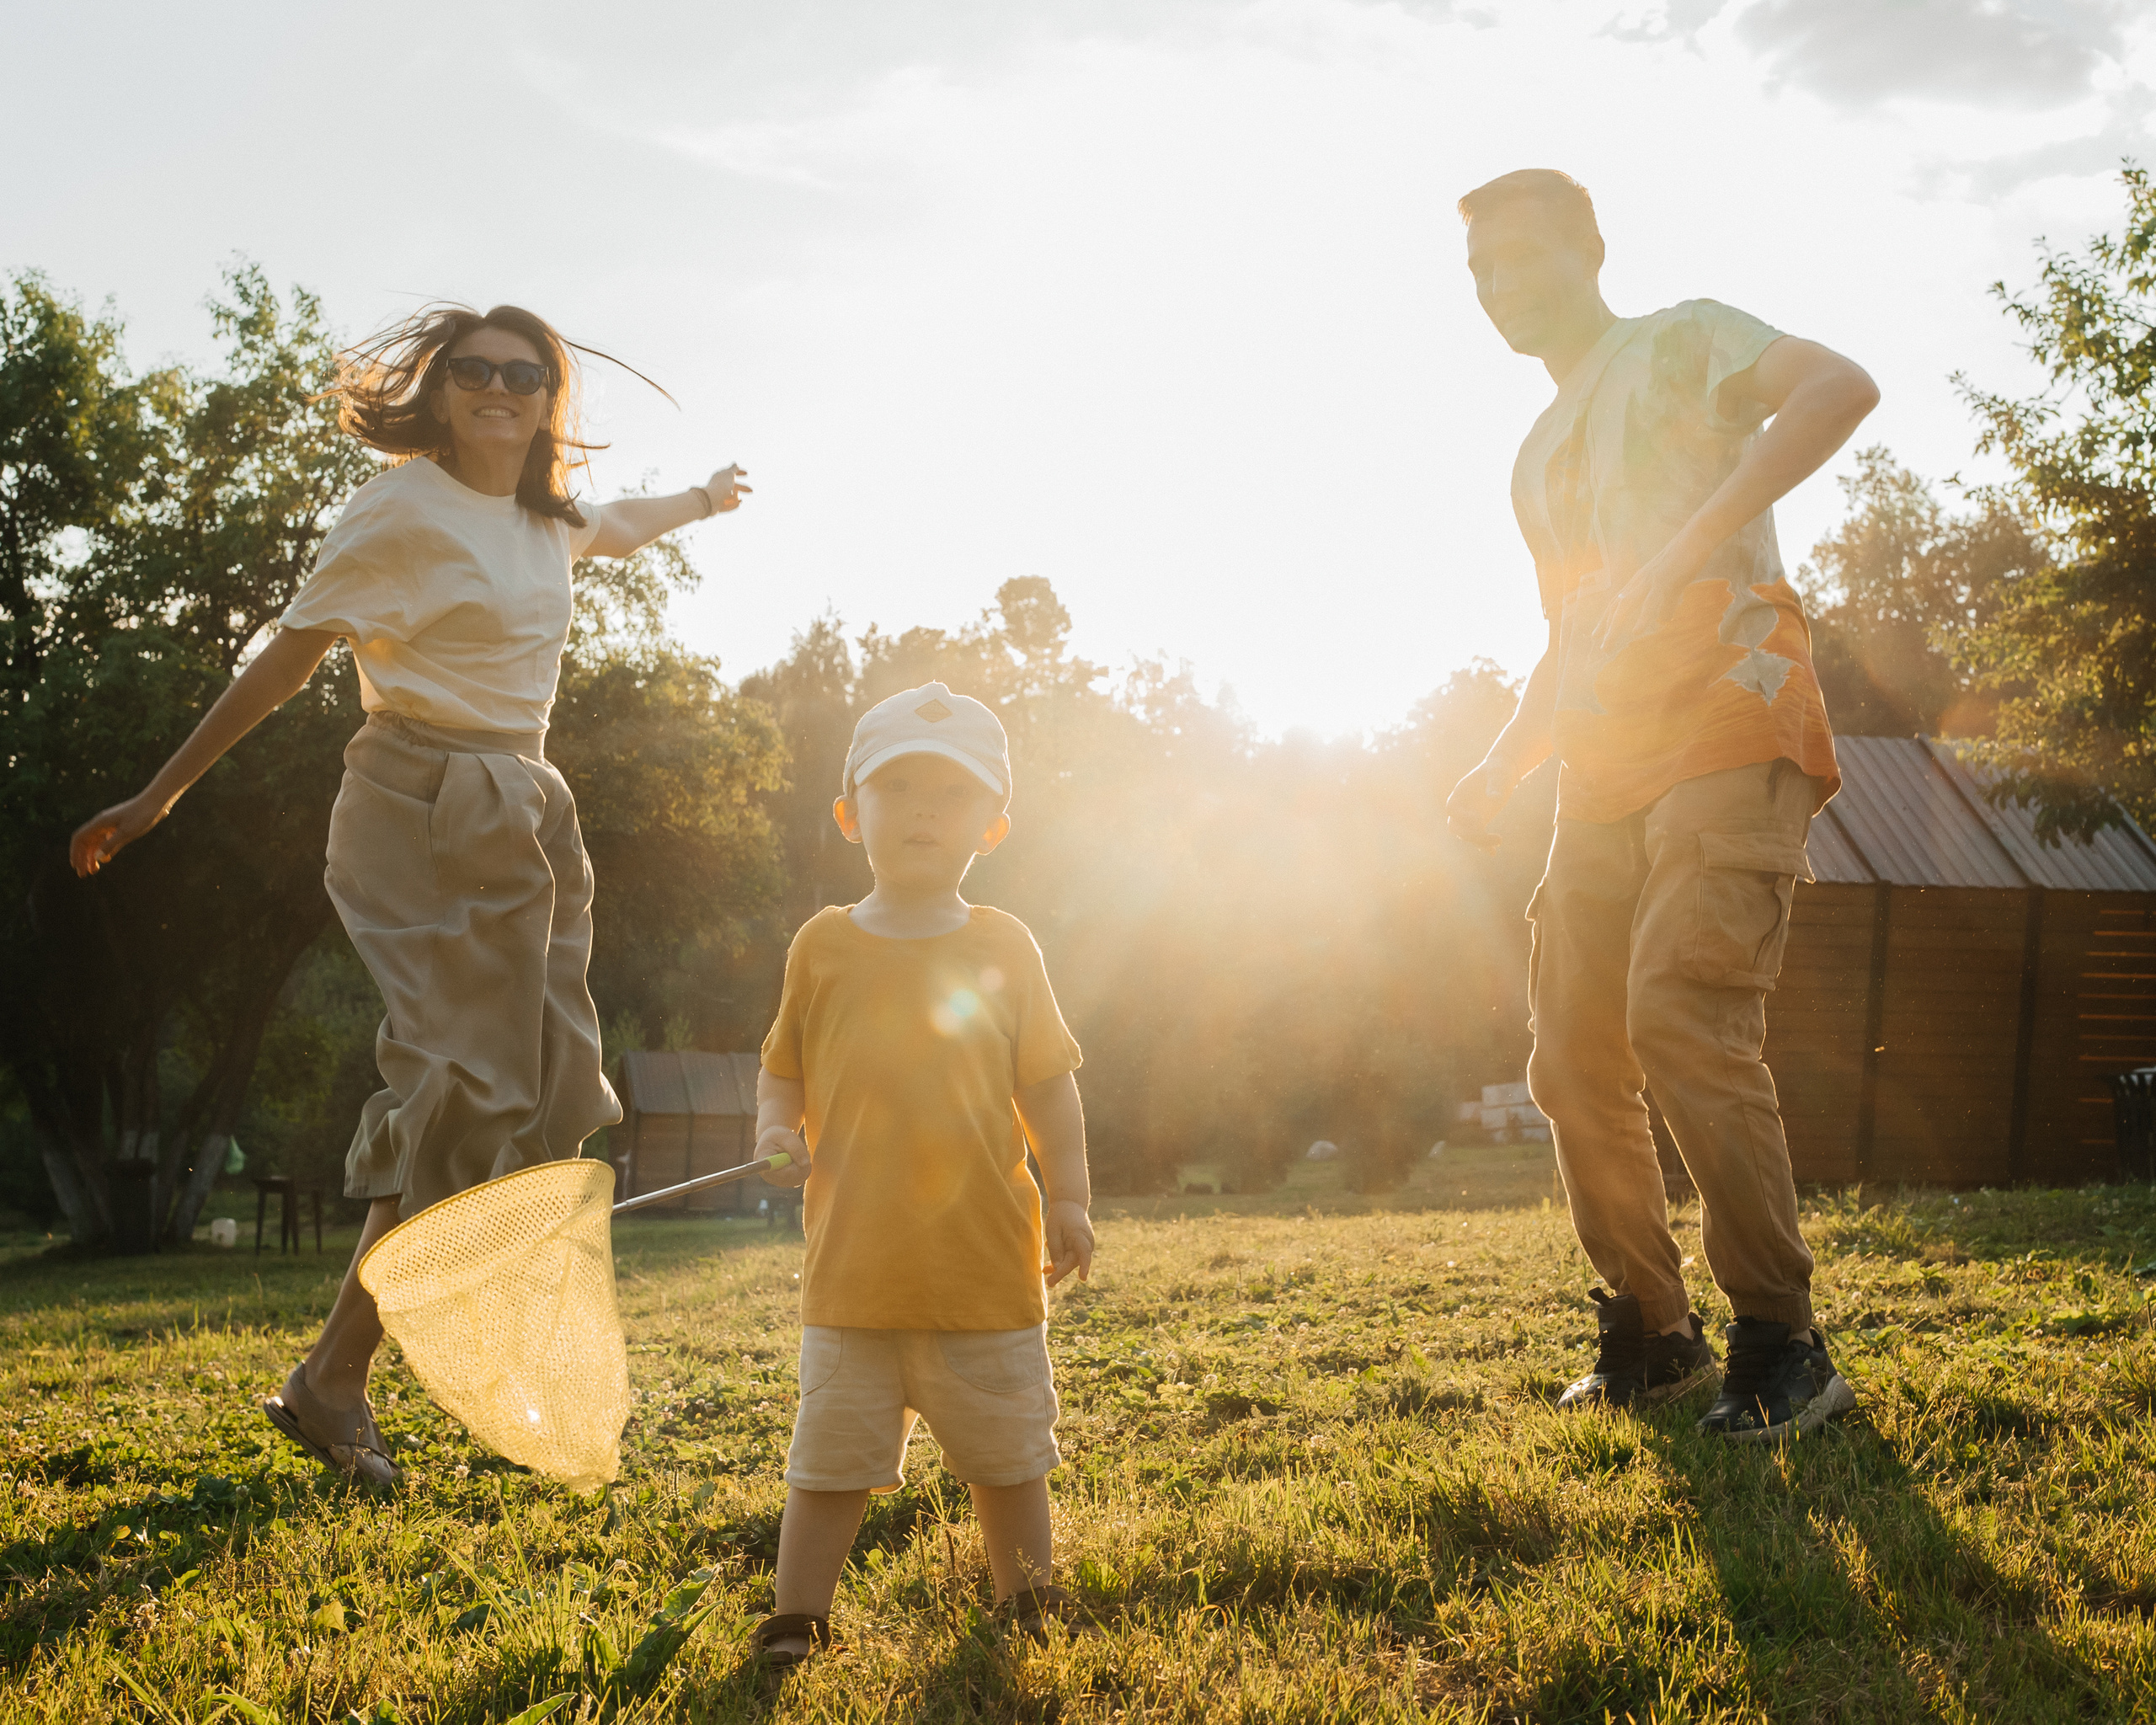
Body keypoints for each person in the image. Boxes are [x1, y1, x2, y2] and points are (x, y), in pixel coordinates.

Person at [69, 303, 750, 1484]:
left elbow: (622, 527)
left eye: (523, 373)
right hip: (422, 796)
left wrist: (703, 497)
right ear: (438, 394)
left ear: (548, 399)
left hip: (526, 807)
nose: (498, 388)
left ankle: (334, 1377)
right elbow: (289, 657)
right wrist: (160, 795)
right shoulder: (398, 510)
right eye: (473, 371)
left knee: (526, 1103)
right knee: (461, 1092)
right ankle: (337, 1380)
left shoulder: (543, 519)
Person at [1444, 171, 1878, 1443]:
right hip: (1602, 767)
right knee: (1573, 1055)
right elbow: (1571, 634)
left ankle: (1784, 1344)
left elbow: (1840, 386)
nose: (1500, 289)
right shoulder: (1533, 459)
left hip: (1731, 715)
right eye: (1479, 274)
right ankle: (1654, 1331)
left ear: (1588, 248)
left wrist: (1690, 544)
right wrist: (1507, 761)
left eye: (1522, 258)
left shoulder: (1682, 340)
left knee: (1679, 1013)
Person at [750, 682, 1092, 1665]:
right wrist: (778, 1128)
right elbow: (782, 1069)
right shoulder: (821, 944)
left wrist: (1067, 1193)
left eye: (953, 791)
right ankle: (797, 1614)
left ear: (993, 822)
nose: (925, 809)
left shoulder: (1005, 944)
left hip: (986, 1269)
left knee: (1006, 1455)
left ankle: (1025, 1598)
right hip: (852, 1277)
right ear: (852, 813)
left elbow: (1052, 1089)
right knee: (829, 1463)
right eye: (898, 786)